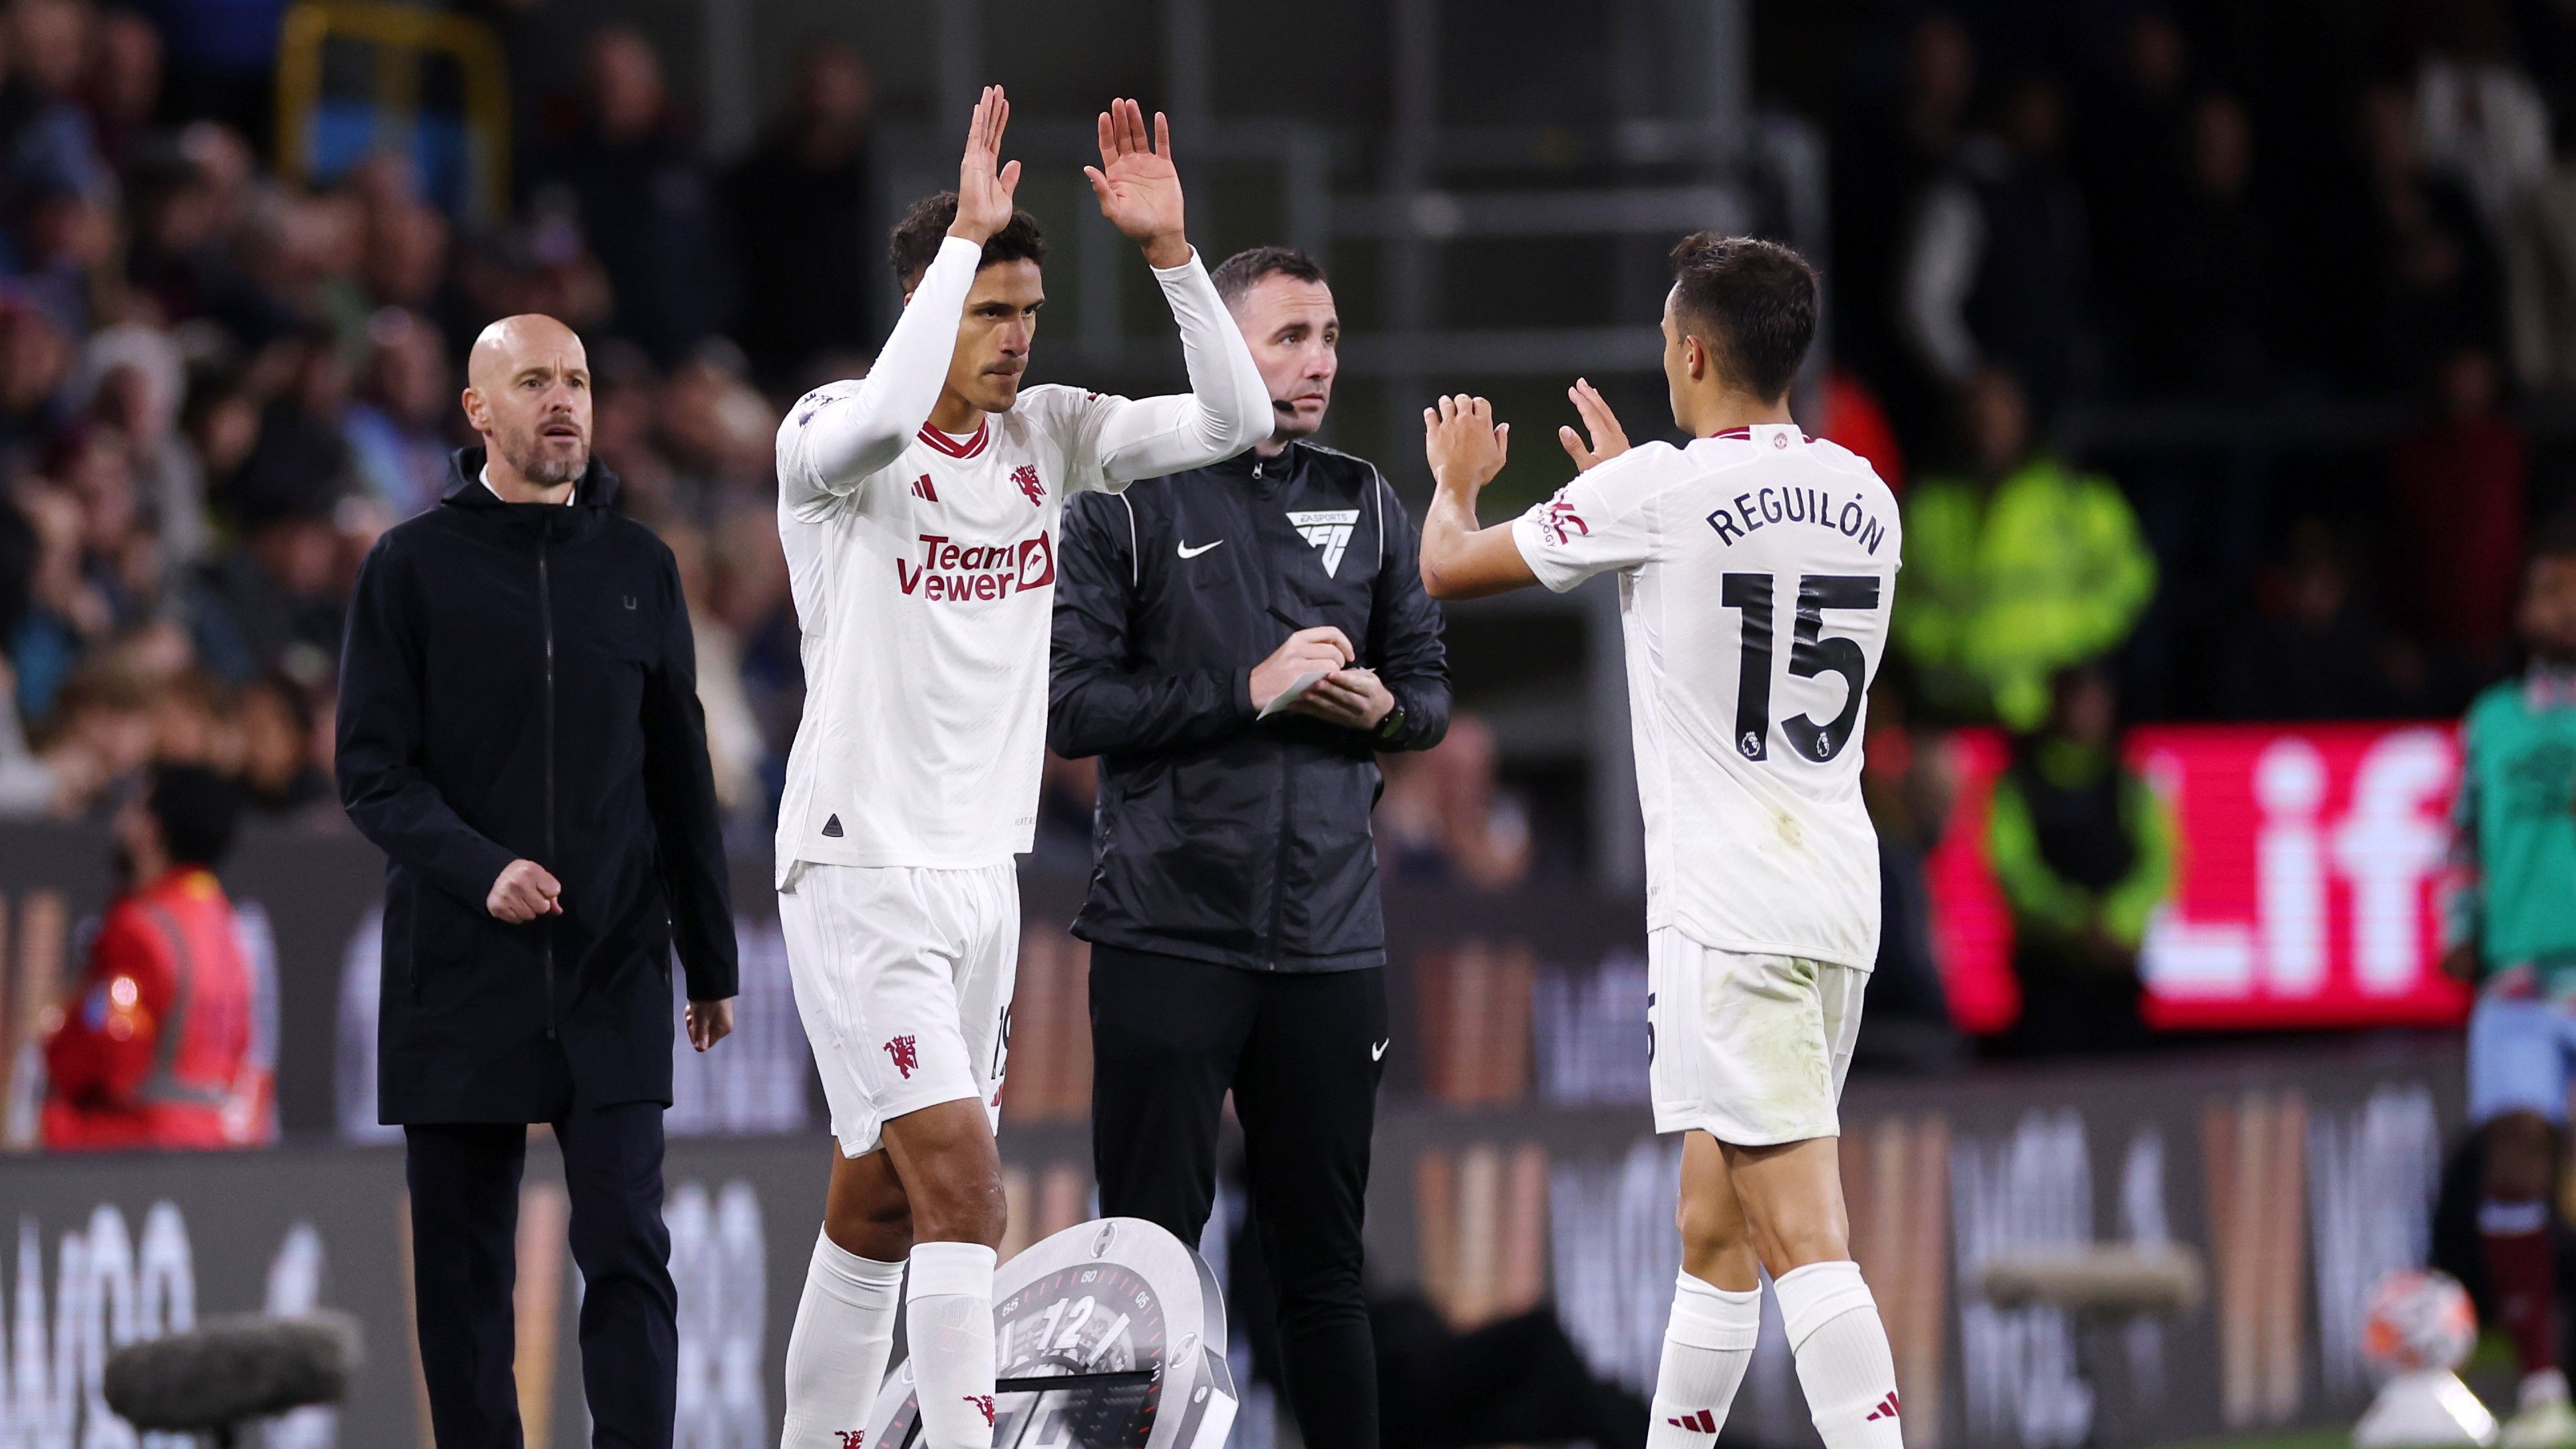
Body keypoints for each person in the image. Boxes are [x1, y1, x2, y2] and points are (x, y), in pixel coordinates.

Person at [768, 90, 1267, 1449]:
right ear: (932, 302)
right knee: (967, 1196)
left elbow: (1231, 418)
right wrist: (956, 252)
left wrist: (1171, 257)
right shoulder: (828, 440)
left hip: (979, 878)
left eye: (1028, 313)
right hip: (859, 863)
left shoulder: (1048, 435)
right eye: (992, 311)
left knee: (876, 1204)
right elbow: (879, 422)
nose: (1016, 339)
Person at [1415, 234, 1909, 1449]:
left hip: (1729, 911)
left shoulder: (1659, 495)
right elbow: (1735, 566)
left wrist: (1456, 478)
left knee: (1801, 1230)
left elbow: (1445, 566)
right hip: (1835, 893)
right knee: (1713, 1220)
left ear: (1692, 351)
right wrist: (1638, 491)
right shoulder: (1867, 497)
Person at [1047, 243, 1450, 1449]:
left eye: (1327, 334)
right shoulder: (1124, 494)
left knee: (1323, 1273)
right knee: (1146, 1272)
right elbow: (1070, 707)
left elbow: (1428, 689)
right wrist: (1247, 687)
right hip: (1168, 934)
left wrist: (1382, 711)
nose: (1318, 359)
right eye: (1287, 337)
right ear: (1218, 349)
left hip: (1329, 943)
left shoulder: (1368, 495)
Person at [335, 313, 739, 1449]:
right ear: (478, 410)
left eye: (576, 380)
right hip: (459, 968)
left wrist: (708, 959)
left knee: (628, 1251)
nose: (562, 400)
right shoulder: (408, 564)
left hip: (611, 966)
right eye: (532, 382)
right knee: (464, 1280)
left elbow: (679, 773)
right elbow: (370, 773)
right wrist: (483, 868)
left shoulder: (640, 566)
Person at [2445, 516, 2576, 1449]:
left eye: (2563, 587)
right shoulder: (2490, 720)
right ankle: (2540, 1383)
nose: (2548, 604)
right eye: (2539, 589)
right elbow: (2461, 838)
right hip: (2523, 978)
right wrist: (2460, 929)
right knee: (2516, 1151)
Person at [1892, 367, 2154, 730]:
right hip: (1954, 708)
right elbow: (1892, 598)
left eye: (2002, 411)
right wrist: (1947, 648)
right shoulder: (1929, 508)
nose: (1989, 425)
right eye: (1978, 412)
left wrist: (2073, 637)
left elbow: (2132, 579)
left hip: (2055, 707)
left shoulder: (2073, 497)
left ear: (2025, 413)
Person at [41, 763, 267, 1149]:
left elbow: (106, 1053)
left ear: (153, 828)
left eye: (135, 810)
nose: (121, 825)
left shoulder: (139, 929)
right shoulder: (223, 921)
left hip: (146, 1141)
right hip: (217, 1135)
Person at [1987, 662, 2174, 1056]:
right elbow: (2014, 869)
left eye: (2095, 702)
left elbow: (2160, 864)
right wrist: (2075, 923)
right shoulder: (2018, 784)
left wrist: (2116, 922)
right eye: (2076, 700)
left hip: (2117, 972)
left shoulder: (2130, 783)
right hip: (2047, 975)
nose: (2085, 712)